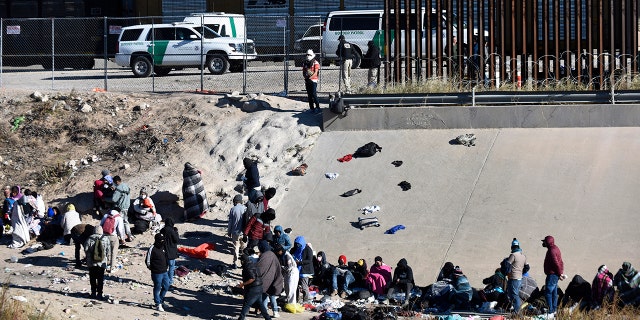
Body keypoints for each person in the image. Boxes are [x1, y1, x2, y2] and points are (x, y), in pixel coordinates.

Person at [236, 253, 272, 320]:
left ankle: (241, 318)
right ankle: (268, 318)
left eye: (241, 260)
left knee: (247, 304)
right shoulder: (253, 265)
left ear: (243, 261)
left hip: (253, 289)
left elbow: (252, 278)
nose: (241, 262)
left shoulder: (248, 267)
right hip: (259, 288)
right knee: (260, 304)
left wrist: (242, 284)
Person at [256, 241, 283, 318]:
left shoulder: (264, 255)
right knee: (272, 296)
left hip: (265, 280)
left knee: (264, 296)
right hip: (273, 280)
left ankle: (264, 312)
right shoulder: (272, 254)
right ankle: (275, 312)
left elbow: (260, 267)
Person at [84, 225, 110, 299]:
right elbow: (108, 251)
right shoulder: (105, 238)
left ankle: (93, 293)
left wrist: (88, 256)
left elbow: (86, 249)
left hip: (91, 262)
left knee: (92, 277)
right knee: (100, 278)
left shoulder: (89, 238)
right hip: (102, 262)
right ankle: (99, 294)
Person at [146, 233, 170, 312]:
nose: (162, 242)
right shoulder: (152, 248)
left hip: (164, 271)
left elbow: (166, 257)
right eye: (161, 240)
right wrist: (153, 268)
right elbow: (148, 261)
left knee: (166, 286)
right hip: (156, 272)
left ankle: (161, 300)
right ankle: (157, 303)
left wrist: (167, 266)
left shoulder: (163, 247)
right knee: (157, 287)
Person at [542, 235, 565, 314]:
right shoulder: (555, 248)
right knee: (554, 292)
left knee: (548, 292)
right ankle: (554, 309)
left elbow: (556, 264)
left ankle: (551, 310)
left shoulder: (552, 251)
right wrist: (560, 273)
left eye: (544, 242)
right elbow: (560, 262)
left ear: (548, 243)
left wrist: (560, 274)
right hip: (555, 275)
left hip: (552, 275)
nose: (543, 243)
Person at [506, 238, 529, 314]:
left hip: (513, 278)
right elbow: (527, 267)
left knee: (514, 295)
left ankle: (517, 312)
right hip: (519, 278)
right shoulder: (523, 256)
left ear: (512, 247)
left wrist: (507, 272)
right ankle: (516, 310)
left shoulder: (513, 255)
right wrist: (521, 272)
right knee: (513, 294)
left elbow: (507, 265)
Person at [108, 176, 133, 242]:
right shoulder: (125, 185)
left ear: (116, 181)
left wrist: (105, 199)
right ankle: (130, 235)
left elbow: (114, 199)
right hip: (126, 207)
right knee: (126, 222)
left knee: (120, 223)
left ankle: (123, 238)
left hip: (120, 208)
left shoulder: (118, 188)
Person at [293, 235, 314, 303]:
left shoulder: (308, 249)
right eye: (296, 244)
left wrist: (300, 262)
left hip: (305, 271)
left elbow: (309, 260)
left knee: (304, 287)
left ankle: (305, 301)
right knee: (295, 286)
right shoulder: (295, 249)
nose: (297, 245)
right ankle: (296, 299)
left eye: (299, 244)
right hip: (296, 270)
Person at [228, 194, 246, 269]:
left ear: (235, 201)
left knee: (236, 248)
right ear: (241, 201)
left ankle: (235, 263)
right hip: (244, 232)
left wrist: (229, 231)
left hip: (235, 232)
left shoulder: (233, 209)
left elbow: (230, 222)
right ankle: (244, 263)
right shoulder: (245, 208)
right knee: (244, 248)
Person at [160, 217, 179, 286]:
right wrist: (176, 232)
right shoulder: (172, 231)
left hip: (163, 252)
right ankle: (170, 282)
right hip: (171, 252)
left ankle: (163, 281)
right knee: (171, 268)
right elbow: (176, 240)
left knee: (164, 268)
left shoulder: (162, 230)